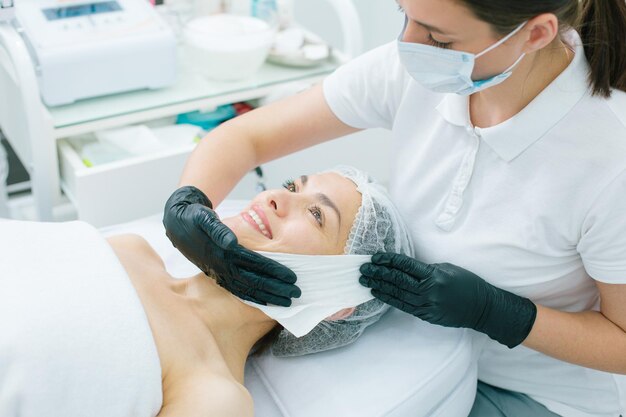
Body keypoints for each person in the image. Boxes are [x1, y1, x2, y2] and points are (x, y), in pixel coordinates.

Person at [162, 0, 626, 416]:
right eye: (405, 15)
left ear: (536, 33)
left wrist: (499, 312)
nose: (409, 45)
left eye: (438, 38)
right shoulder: (411, 69)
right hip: (424, 348)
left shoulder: (609, 163)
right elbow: (247, 136)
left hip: (539, 393)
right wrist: (188, 202)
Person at [0, 166, 413, 417]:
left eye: (317, 214)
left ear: (338, 304)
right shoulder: (134, 250)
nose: (273, 197)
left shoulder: (214, 397)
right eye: (291, 186)